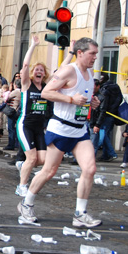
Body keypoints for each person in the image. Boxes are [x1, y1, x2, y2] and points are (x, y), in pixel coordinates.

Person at [17, 37, 102, 228]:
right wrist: (71, 99)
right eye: (92, 53)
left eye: (96, 53)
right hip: (61, 129)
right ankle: (26, 204)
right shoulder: (68, 71)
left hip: (80, 129)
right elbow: (47, 92)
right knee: (49, 171)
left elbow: (85, 96)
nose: (95, 57)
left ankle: (80, 214)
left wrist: (92, 102)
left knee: (90, 169)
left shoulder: (90, 71)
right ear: (80, 53)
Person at [15, 35, 50, 197]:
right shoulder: (26, 84)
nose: (38, 71)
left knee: (42, 159)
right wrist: (33, 45)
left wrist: (70, 53)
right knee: (31, 158)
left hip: (39, 126)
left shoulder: (46, 88)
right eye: (36, 69)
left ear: (44, 74)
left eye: (41, 70)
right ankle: (21, 186)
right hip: (25, 124)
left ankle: (23, 166)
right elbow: (25, 64)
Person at [4, 80, 21, 151]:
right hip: (18, 111)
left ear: (15, 85)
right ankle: (17, 144)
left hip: (12, 111)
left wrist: (10, 90)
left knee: (11, 128)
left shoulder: (15, 92)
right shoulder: (22, 91)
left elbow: (6, 98)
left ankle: (11, 144)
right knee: (17, 128)